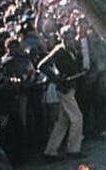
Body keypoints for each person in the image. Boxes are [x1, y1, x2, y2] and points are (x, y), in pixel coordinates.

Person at [36, 26, 86, 161]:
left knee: (63, 122)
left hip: (70, 87)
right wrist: (56, 78)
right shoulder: (59, 50)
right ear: (61, 37)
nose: (68, 39)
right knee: (77, 118)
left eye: (70, 36)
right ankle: (73, 150)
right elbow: (41, 66)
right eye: (65, 37)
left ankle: (50, 151)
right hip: (65, 89)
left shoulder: (72, 49)